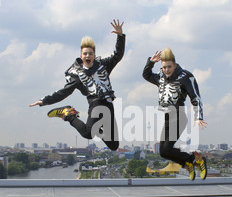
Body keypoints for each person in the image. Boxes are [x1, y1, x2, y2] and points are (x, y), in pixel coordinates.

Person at [29, 20, 125, 151]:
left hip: (109, 104)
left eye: (90, 53)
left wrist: (120, 36)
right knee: (88, 133)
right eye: (85, 54)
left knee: (114, 145)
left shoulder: (104, 65)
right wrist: (44, 101)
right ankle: (68, 114)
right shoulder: (77, 74)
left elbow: (118, 55)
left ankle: (95, 127)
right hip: (96, 103)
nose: (88, 56)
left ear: (94, 55)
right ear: (81, 56)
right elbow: (64, 92)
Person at [142, 48, 207, 180]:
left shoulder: (185, 76)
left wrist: (198, 116)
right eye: (164, 67)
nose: (166, 70)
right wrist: (150, 62)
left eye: (169, 67)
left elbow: (195, 97)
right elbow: (146, 75)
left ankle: (195, 160)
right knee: (163, 152)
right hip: (167, 117)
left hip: (179, 116)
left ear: (175, 65)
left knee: (166, 148)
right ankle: (189, 161)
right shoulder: (161, 77)